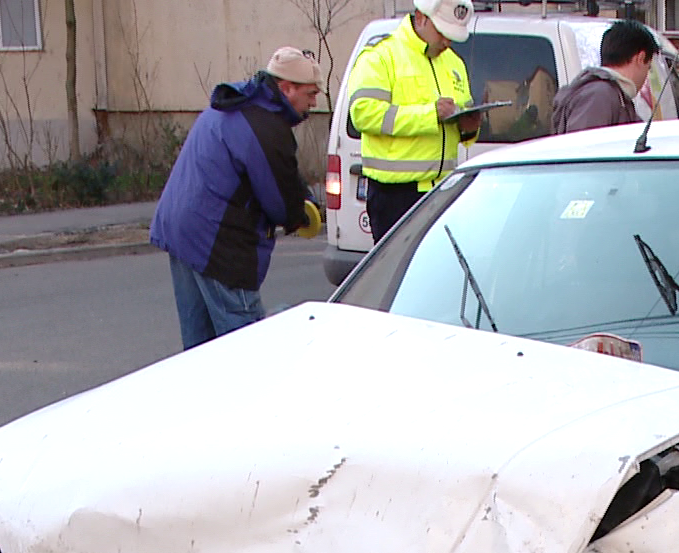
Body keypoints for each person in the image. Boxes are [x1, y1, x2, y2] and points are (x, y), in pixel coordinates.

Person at [150, 47, 322, 349]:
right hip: (218, 244)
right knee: (246, 345)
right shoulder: (267, 128)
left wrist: (299, 195)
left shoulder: (240, 104)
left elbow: (275, 171)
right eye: (310, 94)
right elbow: (281, 205)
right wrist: (302, 214)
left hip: (180, 231)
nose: (314, 102)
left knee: (199, 349)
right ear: (286, 88)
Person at [347, 0, 480, 241]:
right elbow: (363, 114)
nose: (447, 42)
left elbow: (462, 117)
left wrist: (468, 129)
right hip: (395, 196)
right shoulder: (382, 56)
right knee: (398, 275)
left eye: (452, 36)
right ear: (421, 18)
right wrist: (429, 115)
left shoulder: (454, 62)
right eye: (442, 32)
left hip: (442, 190)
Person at [551, 19, 660, 135]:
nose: (646, 77)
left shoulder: (616, 96)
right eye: (648, 68)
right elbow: (584, 149)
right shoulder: (599, 95)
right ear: (640, 58)